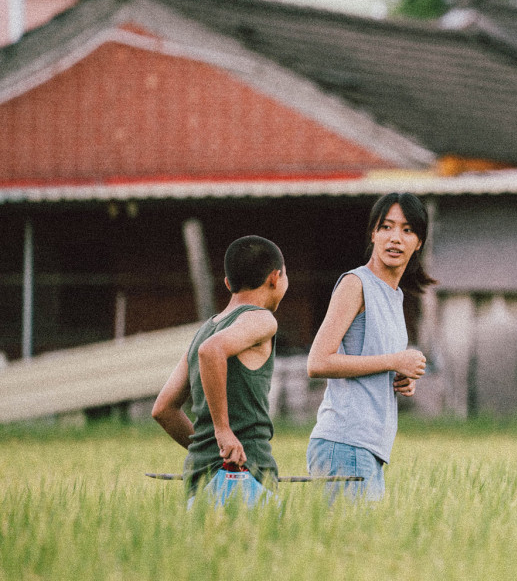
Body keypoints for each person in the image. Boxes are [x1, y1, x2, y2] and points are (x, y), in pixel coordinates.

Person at [306, 192, 434, 500]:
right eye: (387, 227)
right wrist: (393, 361)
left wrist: (399, 377)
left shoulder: (395, 295)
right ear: (373, 234)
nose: (395, 238)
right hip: (345, 442)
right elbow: (318, 362)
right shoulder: (355, 284)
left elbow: (370, 358)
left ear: (419, 242)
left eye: (407, 230)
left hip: (370, 447)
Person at [152, 235, 289, 496]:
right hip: (244, 477)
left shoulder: (204, 331)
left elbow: (163, 409)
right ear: (275, 277)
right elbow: (212, 351)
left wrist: (214, 447)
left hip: (198, 478)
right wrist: (223, 432)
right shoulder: (263, 319)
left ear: (227, 283)